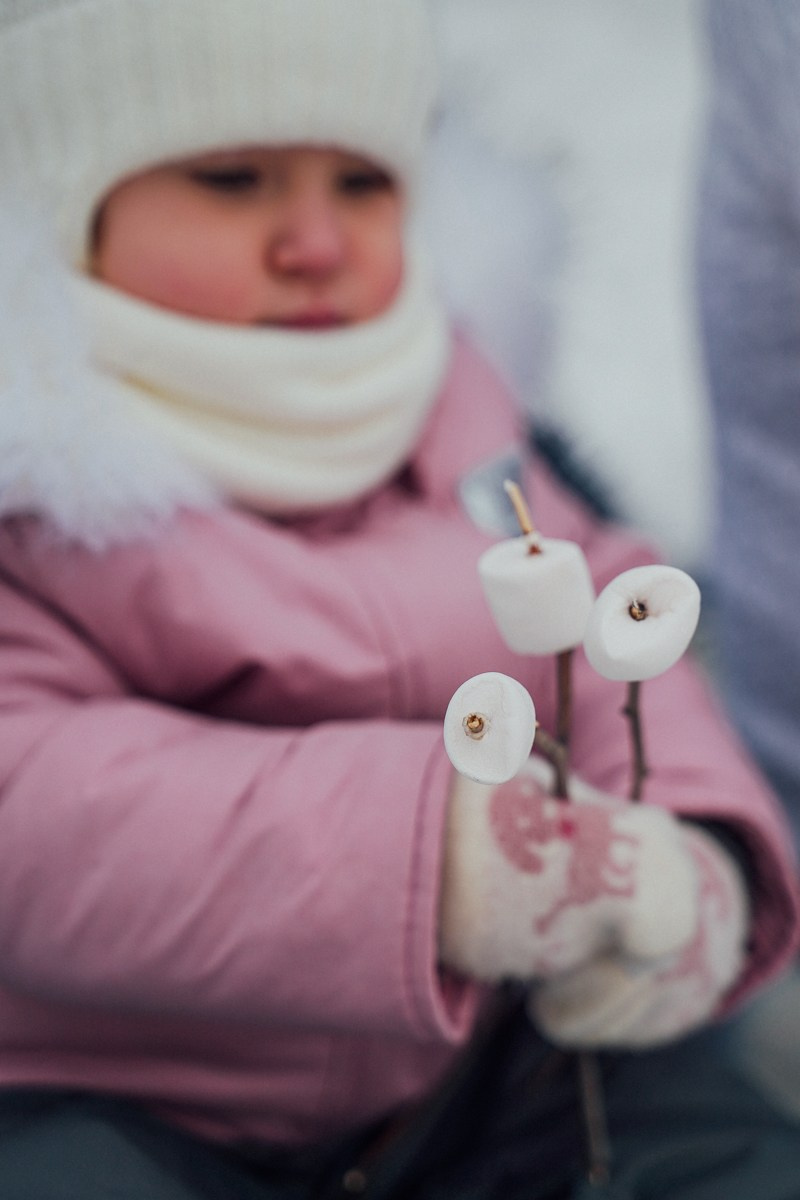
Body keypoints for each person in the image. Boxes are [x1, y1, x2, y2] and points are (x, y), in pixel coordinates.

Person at [0, 1, 799, 1197]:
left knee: (719, 1144)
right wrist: (434, 863)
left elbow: (613, 628)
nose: (315, 241)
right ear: (66, 207)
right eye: (233, 178)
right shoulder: (37, 489)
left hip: (487, 1067)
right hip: (124, 1086)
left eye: (363, 184)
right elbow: (36, 800)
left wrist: (691, 859)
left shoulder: (456, 406)